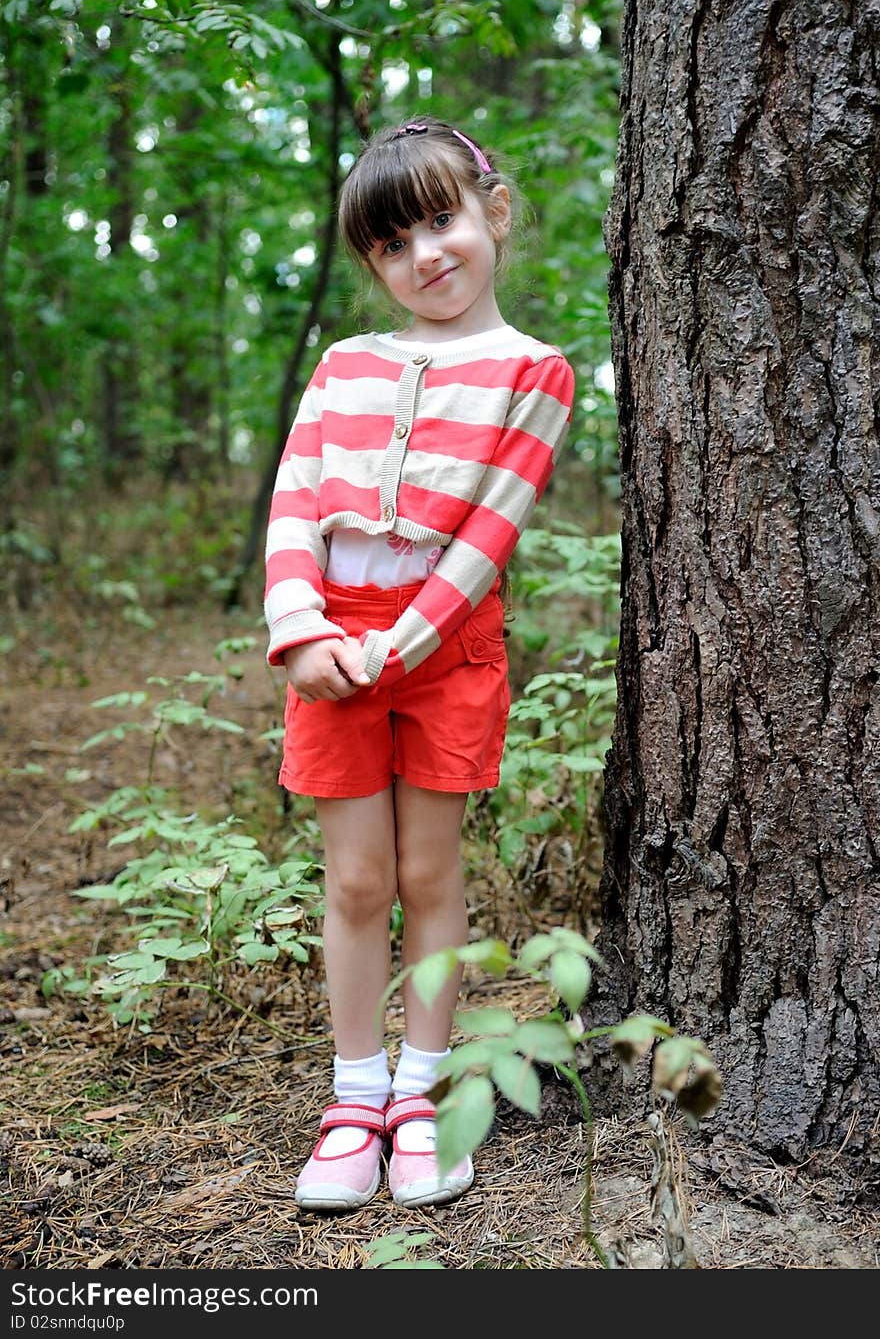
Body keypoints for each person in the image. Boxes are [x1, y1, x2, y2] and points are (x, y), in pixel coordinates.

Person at [263, 116, 575, 1212]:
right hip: (329, 640)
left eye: (441, 221)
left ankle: (421, 1091)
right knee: (354, 878)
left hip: (445, 644)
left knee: (429, 873)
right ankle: (353, 1097)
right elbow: (296, 497)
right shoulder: (348, 364)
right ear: (370, 264)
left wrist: (399, 643)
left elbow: (492, 527)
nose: (424, 256)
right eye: (392, 245)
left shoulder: (531, 370)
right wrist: (301, 629)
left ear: (492, 210)